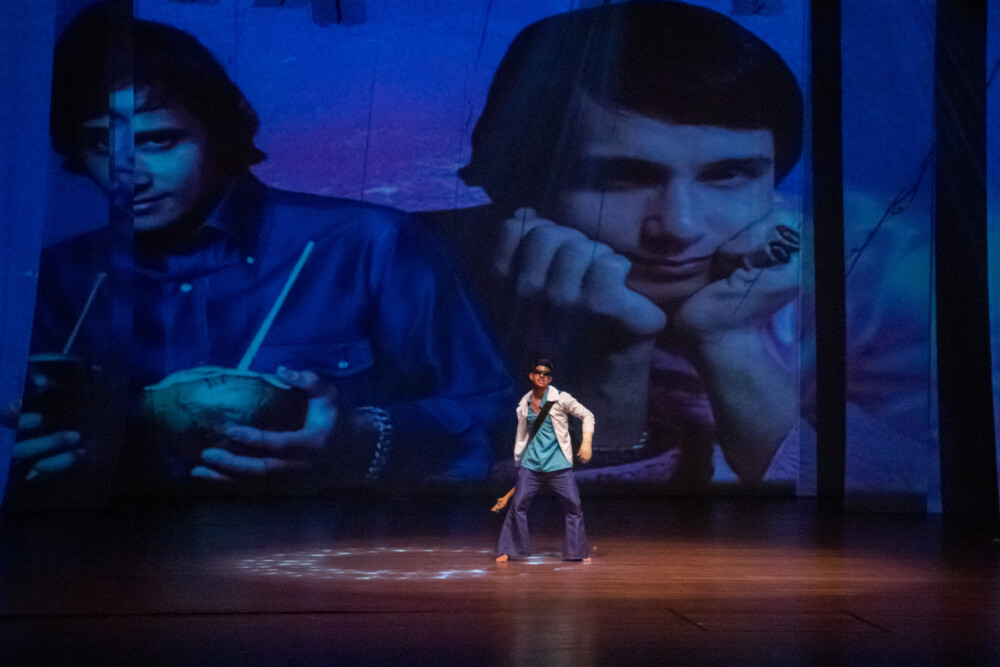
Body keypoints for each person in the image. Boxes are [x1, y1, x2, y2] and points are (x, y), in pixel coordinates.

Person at [7, 1, 511, 501]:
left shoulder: (370, 245)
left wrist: (361, 436)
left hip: (331, 545)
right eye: (101, 144)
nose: (129, 177)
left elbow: (503, 417)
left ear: (220, 134)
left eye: (158, 140)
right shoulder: (60, 277)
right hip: (111, 550)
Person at [429, 2, 804, 489]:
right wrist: (610, 364)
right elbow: (544, 528)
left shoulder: (855, 289)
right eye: (619, 178)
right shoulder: (414, 290)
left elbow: (872, 500)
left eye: (727, 174)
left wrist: (730, 339)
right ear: (516, 180)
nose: (679, 228)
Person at [496, 360, 593, 562]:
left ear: (550, 379)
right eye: (538, 372)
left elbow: (587, 415)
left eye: (546, 374)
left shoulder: (561, 398)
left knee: (574, 506)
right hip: (531, 465)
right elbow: (523, 434)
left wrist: (586, 443)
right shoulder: (524, 402)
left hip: (559, 466)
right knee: (518, 505)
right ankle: (509, 549)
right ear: (531, 376)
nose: (542, 376)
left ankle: (576, 552)